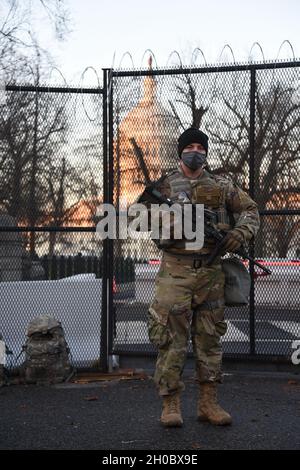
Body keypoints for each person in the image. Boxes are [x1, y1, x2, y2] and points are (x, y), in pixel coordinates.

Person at [142, 127, 260, 427]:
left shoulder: (222, 185)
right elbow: (138, 216)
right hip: (175, 271)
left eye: (200, 146)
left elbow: (250, 210)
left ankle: (208, 404)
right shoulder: (165, 185)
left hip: (211, 272)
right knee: (171, 339)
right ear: (180, 150)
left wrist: (238, 233)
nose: (196, 151)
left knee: (210, 340)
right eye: (190, 146)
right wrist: (172, 222)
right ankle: (170, 405)